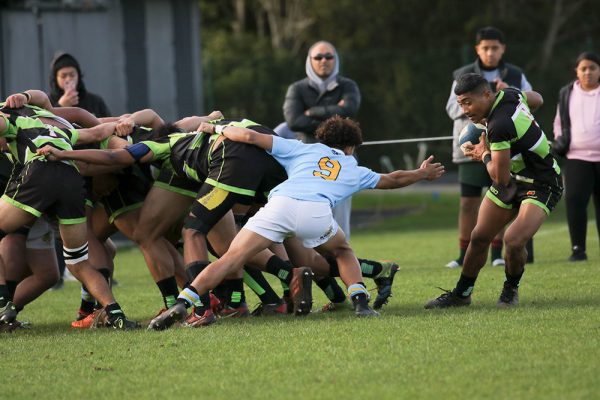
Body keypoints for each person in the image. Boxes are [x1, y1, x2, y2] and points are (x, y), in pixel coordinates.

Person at [148, 115, 444, 329]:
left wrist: (216, 128)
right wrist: (421, 173)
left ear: (322, 140)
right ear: (351, 147)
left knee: (230, 259)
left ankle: (183, 303)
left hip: (278, 207)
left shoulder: (301, 148)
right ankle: (361, 302)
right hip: (315, 213)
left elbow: (249, 136)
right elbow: (392, 180)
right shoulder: (354, 167)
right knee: (342, 251)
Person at [0, 90, 139, 329]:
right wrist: (120, 124)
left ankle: (4, 301)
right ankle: (115, 314)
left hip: (39, 173)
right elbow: (97, 131)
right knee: (78, 262)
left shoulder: (15, 117)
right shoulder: (64, 126)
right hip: (72, 183)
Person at [426, 73, 562, 309]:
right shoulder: (508, 94)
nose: (465, 110)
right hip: (513, 179)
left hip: (541, 182)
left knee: (513, 240)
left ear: (487, 95)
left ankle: (510, 290)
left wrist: (483, 154)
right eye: (460, 104)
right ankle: (462, 294)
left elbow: (499, 176)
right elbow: (537, 99)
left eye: (469, 102)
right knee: (478, 237)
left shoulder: (499, 125)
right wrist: (524, 126)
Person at [445, 26, 533, 269]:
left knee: (502, 198)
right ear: (477, 49)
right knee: (468, 202)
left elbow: (530, 102)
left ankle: (496, 252)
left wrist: (503, 96)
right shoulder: (463, 74)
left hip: (503, 147)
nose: (490, 52)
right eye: (485, 48)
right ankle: (463, 254)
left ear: (502, 49)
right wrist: (482, 102)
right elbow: (452, 109)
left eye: (495, 48)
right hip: (472, 149)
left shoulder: (515, 74)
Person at [277, 40, 361, 238]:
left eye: (329, 56)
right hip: (307, 164)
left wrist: (313, 112)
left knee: (340, 223)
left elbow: (349, 110)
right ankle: (312, 264)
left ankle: (340, 265)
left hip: (342, 163)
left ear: (335, 60)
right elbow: (294, 121)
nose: (324, 61)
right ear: (310, 60)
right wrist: (335, 119)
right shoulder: (296, 89)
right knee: (307, 222)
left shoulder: (348, 85)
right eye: (318, 57)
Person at [552, 51, 600, 262]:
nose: (588, 72)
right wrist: (560, 140)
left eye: (592, 68)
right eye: (583, 68)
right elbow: (558, 122)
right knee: (575, 201)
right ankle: (578, 249)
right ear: (576, 71)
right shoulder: (567, 93)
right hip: (576, 158)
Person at [48, 52, 111, 117]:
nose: (68, 79)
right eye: (63, 76)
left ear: (78, 75)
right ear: (55, 78)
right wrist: (60, 106)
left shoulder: (95, 101)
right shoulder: (47, 101)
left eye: (72, 75)